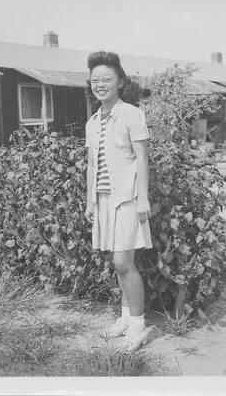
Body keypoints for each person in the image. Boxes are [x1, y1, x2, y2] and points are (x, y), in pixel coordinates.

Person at [84, 51, 153, 351]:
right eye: (95, 80)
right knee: (119, 264)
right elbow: (90, 164)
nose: (100, 84)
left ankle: (138, 327)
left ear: (120, 82)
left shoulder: (131, 114)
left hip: (127, 200)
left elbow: (142, 159)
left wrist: (143, 199)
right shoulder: (92, 121)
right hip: (103, 201)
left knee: (123, 261)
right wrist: (90, 202)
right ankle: (126, 318)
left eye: (107, 79)